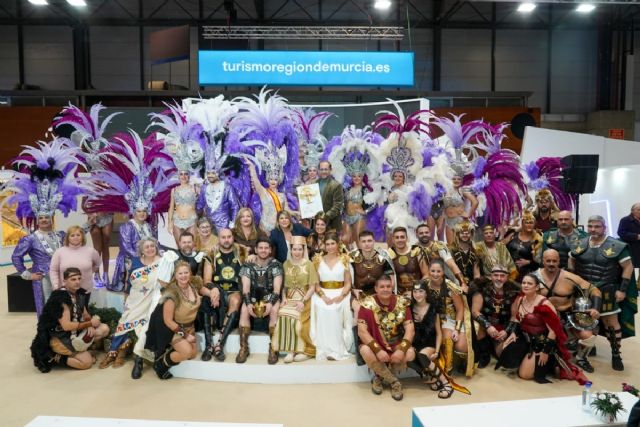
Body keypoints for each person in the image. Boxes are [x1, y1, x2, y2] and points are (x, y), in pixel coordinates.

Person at [569, 215, 636, 371]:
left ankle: (616, 354)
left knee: (610, 323)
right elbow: (571, 260)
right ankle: (585, 353)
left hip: (607, 290)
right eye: (590, 226)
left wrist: (622, 290)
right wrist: (573, 281)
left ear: (604, 227)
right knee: (586, 323)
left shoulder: (616, 245)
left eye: (597, 226)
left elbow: (628, 267)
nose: (593, 229)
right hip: (585, 291)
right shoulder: (580, 244)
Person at [497, 274, 585, 384]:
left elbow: (553, 330)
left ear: (537, 287)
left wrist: (545, 352)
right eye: (524, 283)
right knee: (500, 350)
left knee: (524, 375)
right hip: (525, 337)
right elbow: (518, 319)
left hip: (542, 342)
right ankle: (524, 358)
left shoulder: (544, 303)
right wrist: (514, 333)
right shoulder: (520, 300)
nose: (526, 285)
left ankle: (551, 364)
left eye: (529, 283)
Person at [100, 238, 162, 379]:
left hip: (151, 301)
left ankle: (139, 356)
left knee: (144, 327)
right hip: (135, 299)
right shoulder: (134, 262)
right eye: (147, 247)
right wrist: (126, 299)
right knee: (124, 323)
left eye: (152, 246)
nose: (150, 249)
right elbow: (129, 282)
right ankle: (113, 352)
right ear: (141, 250)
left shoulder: (162, 261)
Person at [30, 268, 109, 372]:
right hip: (61, 336)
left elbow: (85, 315)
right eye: (73, 279)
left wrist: (89, 325)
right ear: (64, 281)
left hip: (76, 332)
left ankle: (80, 350)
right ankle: (54, 356)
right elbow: (66, 326)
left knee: (104, 329)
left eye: (79, 278)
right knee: (86, 363)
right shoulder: (61, 298)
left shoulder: (79, 293)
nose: (77, 282)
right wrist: (89, 323)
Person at [534, 249, 601, 373]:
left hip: (565, 315)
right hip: (543, 316)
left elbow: (595, 290)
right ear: (542, 261)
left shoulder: (569, 277)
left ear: (559, 261)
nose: (551, 263)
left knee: (588, 336)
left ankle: (581, 358)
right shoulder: (534, 277)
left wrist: (595, 308)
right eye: (548, 260)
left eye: (554, 261)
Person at [357, 274, 415, 401]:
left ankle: (379, 377)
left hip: (396, 343)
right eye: (382, 286)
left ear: (392, 287)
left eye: (388, 286)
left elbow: (410, 330)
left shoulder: (402, 303)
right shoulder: (366, 304)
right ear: (376, 289)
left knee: (410, 353)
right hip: (376, 343)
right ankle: (394, 382)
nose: (385, 289)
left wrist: (401, 350)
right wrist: (377, 350)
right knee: (365, 350)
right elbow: (362, 332)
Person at [145, 261, 202, 380]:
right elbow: (168, 321)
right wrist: (185, 336)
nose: (183, 276)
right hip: (174, 329)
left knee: (192, 354)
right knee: (186, 353)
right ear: (175, 275)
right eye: (180, 273)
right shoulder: (171, 294)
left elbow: (204, 289)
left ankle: (170, 349)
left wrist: (213, 292)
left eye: (186, 272)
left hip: (190, 326)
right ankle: (160, 365)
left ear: (190, 273)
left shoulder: (194, 285)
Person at [201, 228, 246, 361]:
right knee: (205, 299)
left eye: (229, 237)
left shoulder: (242, 252)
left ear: (233, 237)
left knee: (236, 301)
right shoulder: (211, 254)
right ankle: (208, 345)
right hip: (218, 290)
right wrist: (213, 289)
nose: (226, 240)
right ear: (218, 239)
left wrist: (252, 256)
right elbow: (206, 280)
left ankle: (219, 344)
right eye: (223, 237)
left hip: (235, 290)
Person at [237, 237, 284, 364]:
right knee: (243, 311)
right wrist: (248, 304)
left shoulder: (276, 264)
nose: (263, 250)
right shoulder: (248, 265)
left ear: (270, 250)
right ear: (256, 250)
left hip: (270, 297)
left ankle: (273, 347)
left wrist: (270, 303)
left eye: (266, 248)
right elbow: (245, 287)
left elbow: (277, 288)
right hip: (252, 297)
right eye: (261, 248)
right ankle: (243, 347)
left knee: (274, 311)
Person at [424, 260, 474, 376]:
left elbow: (460, 309)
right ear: (428, 271)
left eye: (438, 271)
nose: (435, 274)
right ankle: (446, 368)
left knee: (460, 346)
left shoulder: (451, 287)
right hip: (432, 318)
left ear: (443, 272)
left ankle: (453, 366)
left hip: (450, 319)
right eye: (433, 271)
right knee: (445, 337)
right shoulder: (424, 285)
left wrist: (456, 329)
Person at [272, 236, 318, 362]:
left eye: (299, 249)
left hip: (305, 299)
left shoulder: (309, 265)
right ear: (290, 250)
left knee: (297, 319)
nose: (297, 252)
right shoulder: (286, 264)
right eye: (294, 249)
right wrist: (283, 298)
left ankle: (303, 350)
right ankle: (290, 351)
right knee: (283, 313)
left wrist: (303, 301)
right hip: (289, 299)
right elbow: (283, 286)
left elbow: (312, 287)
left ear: (304, 250)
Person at [311, 232, 353, 361]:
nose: (330, 247)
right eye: (327, 244)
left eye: (332, 244)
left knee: (335, 309)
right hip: (322, 293)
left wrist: (341, 296)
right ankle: (323, 348)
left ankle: (337, 349)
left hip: (340, 292)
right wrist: (323, 296)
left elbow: (348, 283)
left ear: (338, 244)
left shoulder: (344, 259)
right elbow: (316, 283)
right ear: (324, 246)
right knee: (322, 308)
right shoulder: (318, 260)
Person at [408, 281, 455, 399]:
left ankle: (446, 383)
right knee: (408, 357)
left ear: (426, 293)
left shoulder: (433, 308)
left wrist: (437, 352)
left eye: (421, 291)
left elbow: (439, 333)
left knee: (422, 356)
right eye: (415, 291)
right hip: (415, 343)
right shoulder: (408, 308)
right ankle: (433, 377)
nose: (417, 294)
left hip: (430, 343)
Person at [12, 215, 65, 317]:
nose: (44, 220)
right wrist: (28, 274)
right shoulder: (31, 239)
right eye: (40, 218)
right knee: (47, 305)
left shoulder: (61, 235)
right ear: (37, 220)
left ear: (52, 218)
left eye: (47, 217)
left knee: (64, 305)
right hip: (43, 278)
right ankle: (46, 331)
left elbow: (77, 235)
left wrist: (89, 224)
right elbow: (16, 256)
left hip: (62, 275)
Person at [470, 266, 521, 368]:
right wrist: (488, 326)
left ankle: (493, 347)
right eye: (496, 275)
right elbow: (475, 311)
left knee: (505, 357)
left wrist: (506, 331)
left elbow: (514, 315)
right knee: (479, 327)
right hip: (484, 325)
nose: (499, 278)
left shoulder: (513, 293)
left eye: (502, 276)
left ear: (507, 278)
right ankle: (484, 354)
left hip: (502, 326)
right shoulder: (480, 289)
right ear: (490, 276)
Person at [50, 225, 101, 296]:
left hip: (85, 290)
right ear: (68, 237)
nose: (75, 237)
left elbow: (97, 264)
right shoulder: (59, 252)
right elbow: (53, 270)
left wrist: (88, 272)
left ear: (82, 237)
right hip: (65, 291)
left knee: (83, 307)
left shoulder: (91, 251)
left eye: (78, 235)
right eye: (72, 235)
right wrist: (56, 286)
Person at [416, 223, 466, 287]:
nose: (424, 235)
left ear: (430, 233)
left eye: (426, 232)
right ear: (416, 234)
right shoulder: (414, 249)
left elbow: (452, 264)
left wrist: (462, 282)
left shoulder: (439, 246)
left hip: (446, 281)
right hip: (425, 283)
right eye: (421, 233)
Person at [387, 227, 429, 297]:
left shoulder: (416, 251)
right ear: (393, 240)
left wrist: (414, 291)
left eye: (402, 237)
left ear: (407, 238)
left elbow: (427, 275)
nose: (400, 240)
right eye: (397, 237)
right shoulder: (389, 254)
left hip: (418, 292)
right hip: (398, 295)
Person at [442, 171, 478, 244]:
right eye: (454, 179)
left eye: (459, 179)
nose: (456, 180)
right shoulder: (446, 191)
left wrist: (468, 214)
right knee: (451, 247)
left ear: (462, 181)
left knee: (461, 245)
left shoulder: (463, 190)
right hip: (448, 222)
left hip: (460, 221)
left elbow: (475, 202)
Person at [505, 211, 542, 281]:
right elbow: (502, 247)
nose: (529, 225)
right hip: (508, 270)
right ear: (522, 223)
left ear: (535, 224)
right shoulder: (513, 234)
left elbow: (540, 262)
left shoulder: (538, 240)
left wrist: (529, 262)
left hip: (526, 274)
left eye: (531, 223)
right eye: (527, 222)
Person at [167, 170, 199, 245]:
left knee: (192, 246)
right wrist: (169, 223)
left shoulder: (195, 188)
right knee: (180, 246)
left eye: (186, 174)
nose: (183, 176)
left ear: (189, 176)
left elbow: (201, 205)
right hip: (177, 221)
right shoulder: (174, 190)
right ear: (178, 176)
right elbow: (171, 207)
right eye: (181, 174)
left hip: (192, 220)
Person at [448, 220, 480, 284]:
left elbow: (476, 272)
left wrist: (476, 284)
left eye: (467, 233)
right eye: (462, 233)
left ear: (471, 234)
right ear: (458, 234)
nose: (465, 235)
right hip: (455, 281)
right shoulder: (452, 249)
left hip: (471, 282)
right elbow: (451, 270)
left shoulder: (476, 250)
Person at [317, 161, 344, 234]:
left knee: (331, 244)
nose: (323, 171)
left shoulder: (336, 185)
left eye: (326, 169)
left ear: (330, 170)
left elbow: (338, 205)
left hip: (332, 223)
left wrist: (325, 217)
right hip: (317, 224)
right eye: (321, 169)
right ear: (318, 170)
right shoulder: (314, 184)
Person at [617, 202, 640, 268]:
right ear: (632, 211)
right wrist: (637, 236)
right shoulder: (625, 220)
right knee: (636, 271)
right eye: (639, 210)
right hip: (633, 250)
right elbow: (621, 233)